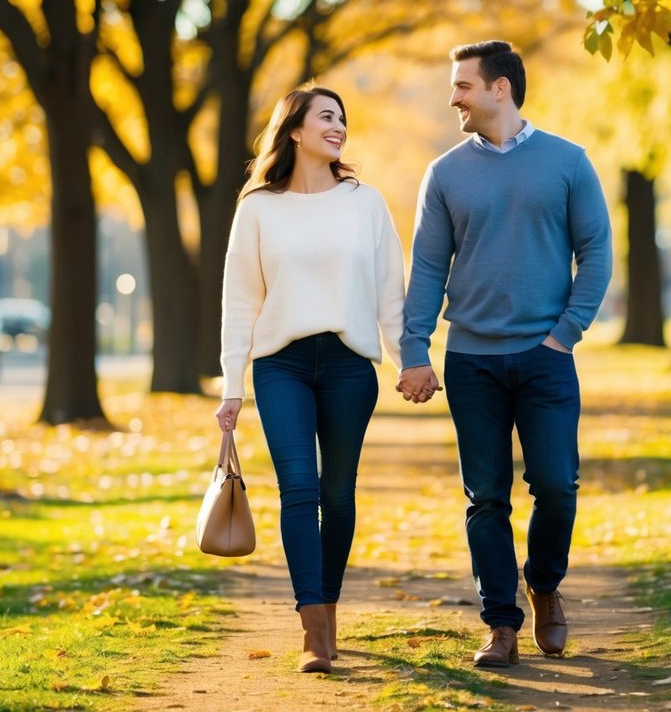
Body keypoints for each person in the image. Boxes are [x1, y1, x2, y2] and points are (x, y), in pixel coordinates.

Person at [397, 41, 611, 667]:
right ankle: (501, 623)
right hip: (473, 360)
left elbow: (595, 251)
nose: (453, 96)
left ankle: (543, 585)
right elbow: (429, 267)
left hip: (546, 356)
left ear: (500, 89)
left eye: (462, 84)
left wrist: (565, 332)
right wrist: (416, 349)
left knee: (556, 484)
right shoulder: (444, 173)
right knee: (485, 496)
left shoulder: (567, 162)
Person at [215, 84, 405, 674]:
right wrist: (232, 386)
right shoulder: (258, 208)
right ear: (294, 130)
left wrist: (410, 361)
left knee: (337, 495)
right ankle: (314, 627)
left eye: (343, 118)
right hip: (283, 365)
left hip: (349, 364)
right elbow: (240, 302)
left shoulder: (365, 202)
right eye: (326, 116)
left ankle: (328, 602)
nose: (339, 126)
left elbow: (388, 292)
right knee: (298, 487)